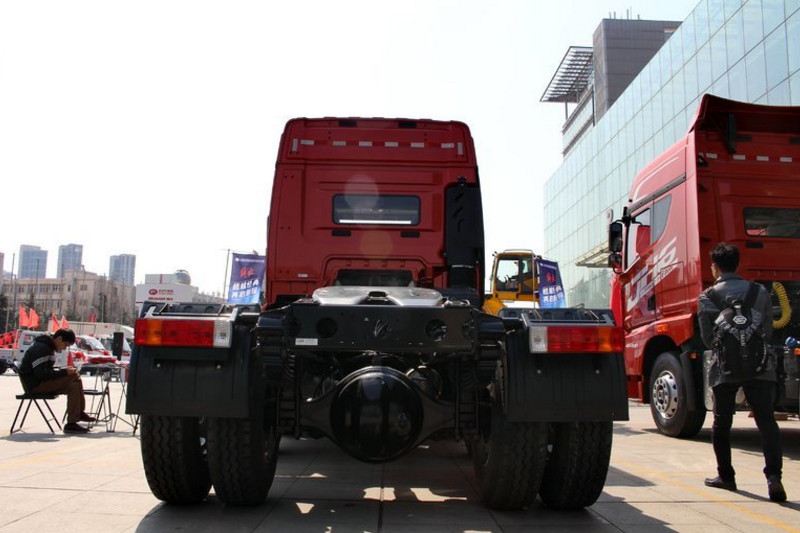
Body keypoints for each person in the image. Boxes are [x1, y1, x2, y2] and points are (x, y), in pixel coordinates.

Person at [698, 242, 786, 502]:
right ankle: (774, 477)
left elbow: (707, 339)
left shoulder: (707, 296)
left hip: (724, 368)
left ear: (715, 267)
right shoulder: (759, 291)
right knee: (766, 421)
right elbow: (767, 329)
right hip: (760, 366)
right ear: (738, 265)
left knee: (722, 422)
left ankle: (726, 476)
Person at [18, 328, 96, 434]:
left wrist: (63, 371)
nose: (64, 348)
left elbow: (46, 371)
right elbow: (41, 374)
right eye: (65, 345)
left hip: (39, 383)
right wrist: (64, 372)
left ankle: (72, 423)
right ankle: (79, 413)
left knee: (73, 386)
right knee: (74, 375)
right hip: (34, 385)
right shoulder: (42, 349)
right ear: (59, 339)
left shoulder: (47, 348)